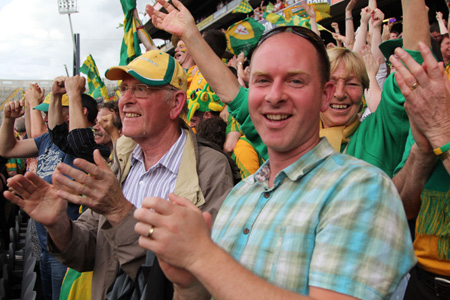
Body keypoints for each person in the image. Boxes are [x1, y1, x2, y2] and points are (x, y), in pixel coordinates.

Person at [135, 1, 416, 300]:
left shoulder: (364, 189)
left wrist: (201, 256)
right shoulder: (238, 197)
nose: (274, 96)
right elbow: (232, 94)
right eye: (263, 81)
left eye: (295, 81)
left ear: (324, 96)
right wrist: (189, 284)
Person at [4, 50, 235, 300]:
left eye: (141, 89)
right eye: (124, 88)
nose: (125, 99)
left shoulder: (211, 168)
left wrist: (120, 211)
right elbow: (87, 253)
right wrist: (58, 224)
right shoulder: (123, 161)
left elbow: (200, 275)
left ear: (176, 103)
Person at [0, 77, 98, 300]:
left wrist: (68, 95)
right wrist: (7, 120)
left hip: (68, 244)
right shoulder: (46, 140)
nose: (46, 116)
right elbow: (7, 149)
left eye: (55, 109)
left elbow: (77, 140)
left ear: (77, 111)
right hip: (45, 244)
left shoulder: (90, 142)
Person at [391, 42, 450, 300]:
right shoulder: (435, 89)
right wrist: (423, 154)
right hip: (422, 282)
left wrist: (441, 131)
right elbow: (401, 208)